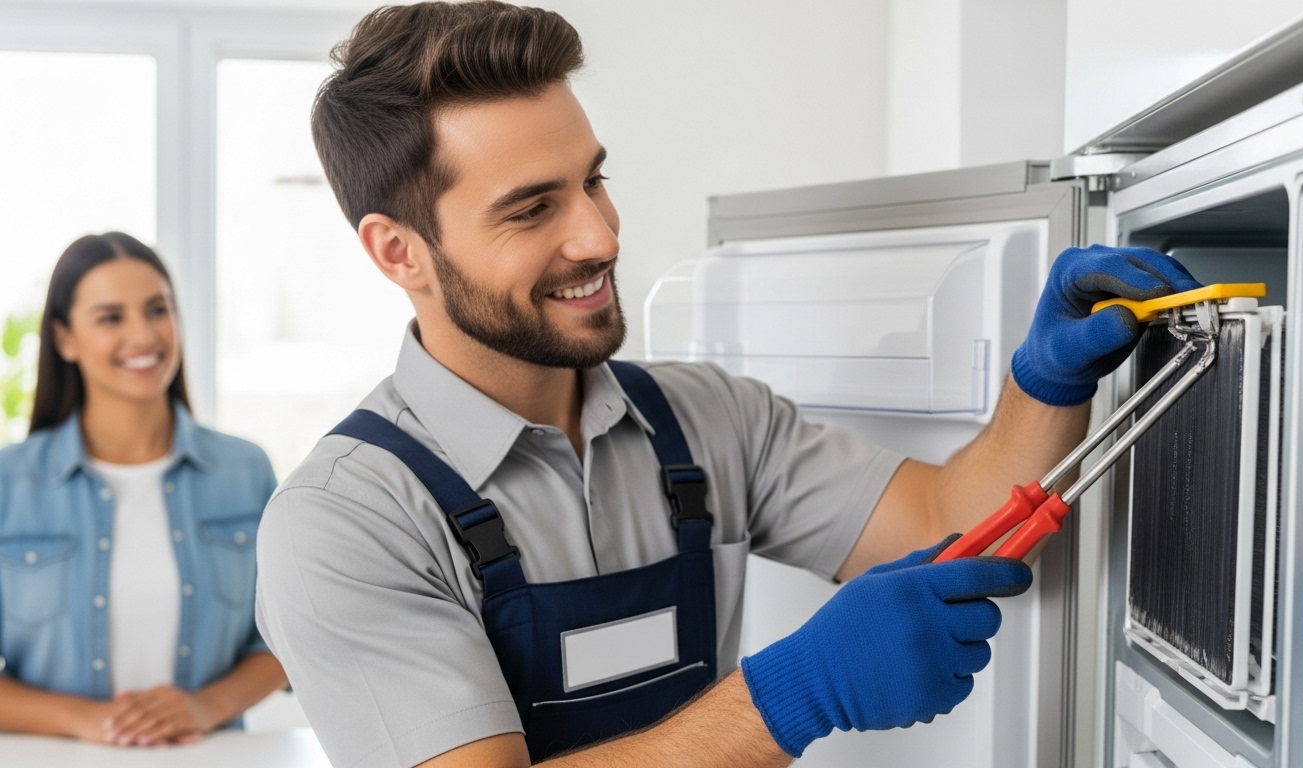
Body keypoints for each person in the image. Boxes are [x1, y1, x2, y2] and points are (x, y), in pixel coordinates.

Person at [254, 3, 1203, 767]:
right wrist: (796, 693)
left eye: (593, 180)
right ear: (399, 252)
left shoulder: (703, 421)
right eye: (533, 208)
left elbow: (947, 523)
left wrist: (1043, 383)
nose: (599, 237)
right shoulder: (346, 523)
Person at [0, 232, 289, 746]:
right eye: (111, 317)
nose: (143, 335)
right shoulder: (10, 484)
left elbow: (289, 640)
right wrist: (82, 719)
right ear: (65, 338)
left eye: (157, 310)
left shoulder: (245, 472)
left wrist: (206, 706)